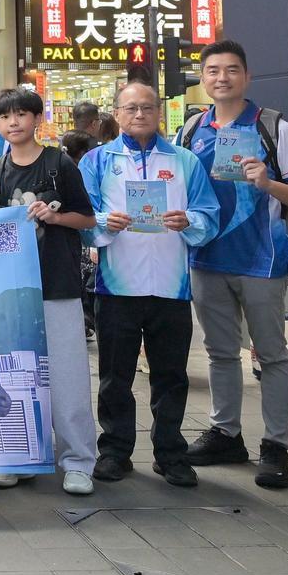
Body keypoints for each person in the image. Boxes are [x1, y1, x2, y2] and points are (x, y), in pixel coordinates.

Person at [178, 40, 288, 489]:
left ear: (247, 76)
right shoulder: (191, 130)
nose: (222, 77)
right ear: (203, 78)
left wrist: (269, 182)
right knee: (220, 353)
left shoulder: (275, 128)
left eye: (232, 70)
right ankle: (226, 433)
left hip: (263, 259)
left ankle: (276, 446)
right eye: (213, 70)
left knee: (272, 355)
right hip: (206, 259)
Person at [79, 83, 220, 489]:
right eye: (130, 108)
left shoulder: (185, 161)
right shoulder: (98, 161)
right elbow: (83, 216)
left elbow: (208, 213)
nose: (139, 114)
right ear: (117, 113)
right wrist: (104, 223)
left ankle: (171, 453)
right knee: (114, 375)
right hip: (116, 286)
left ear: (159, 112)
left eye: (146, 107)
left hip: (171, 287)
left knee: (171, 375)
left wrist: (188, 221)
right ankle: (115, 451)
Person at [0, 89, 98, 496]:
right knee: (15, 377)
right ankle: (20, 455)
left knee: (66, 375)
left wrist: (55, 215)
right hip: (13, 291)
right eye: (5, 117)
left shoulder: (59, 163)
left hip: (57, 282)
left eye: (21, 115)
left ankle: (79, 461)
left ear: (36, 119)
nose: (13, 123)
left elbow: (87, 219)